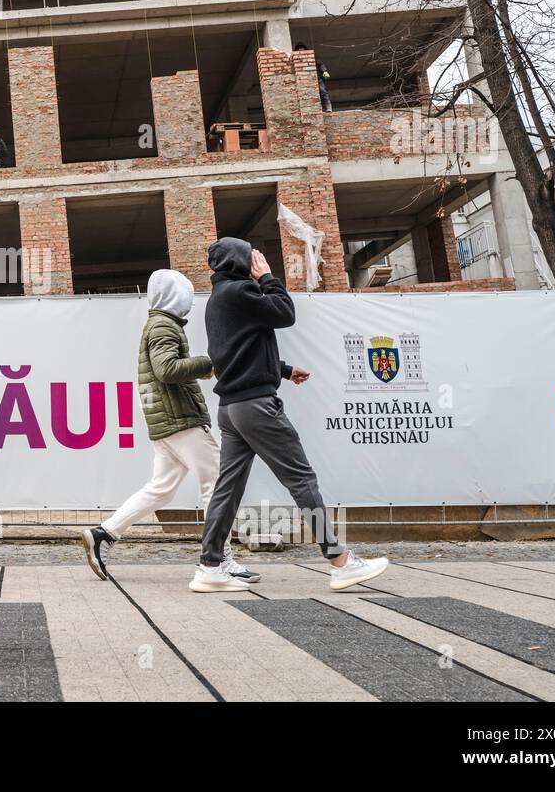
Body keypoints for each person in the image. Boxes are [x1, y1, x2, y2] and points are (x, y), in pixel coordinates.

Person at [192, 237, 389, 593]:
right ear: (241, 262)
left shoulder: (217, 300)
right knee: (302, 479)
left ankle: (210, 564)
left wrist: (281, 369)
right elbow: (285, 312)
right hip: (256, 406)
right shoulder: (241, 292)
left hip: (231, 409)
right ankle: (339, 561)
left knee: (228, 488)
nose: (256, 260)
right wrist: (267, 276)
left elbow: (236, 353)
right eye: (251, 256)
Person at [81, 269, 258, 584]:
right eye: (186, 294)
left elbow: (168, 370)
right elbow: (167, 369)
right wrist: (209, 363)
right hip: (182, 421)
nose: (189, 300)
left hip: (167, 423)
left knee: (160, 489)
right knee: (218, 487)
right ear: (176, 296)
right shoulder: (164, 326)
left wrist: (200, 370)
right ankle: (220, 561)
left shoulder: (159, 324)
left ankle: (103, 534)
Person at [294, 42, 332, 112]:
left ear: (305, 49)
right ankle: (318, 109)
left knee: (322, 91)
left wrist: (325, 71)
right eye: (299, 49)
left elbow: (320, 64)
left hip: (317, 78)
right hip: (305, 80)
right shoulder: (296, 60)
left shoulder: (311, 57)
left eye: (302, 48)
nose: (300, 50)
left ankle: (328, 107)